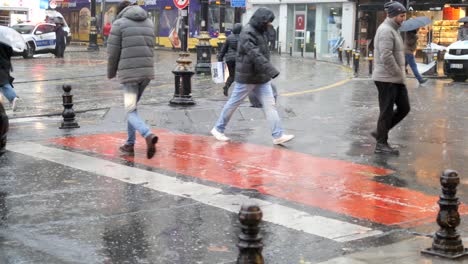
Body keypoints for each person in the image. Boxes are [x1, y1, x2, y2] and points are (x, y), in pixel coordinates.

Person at [211, 7, 294, 145]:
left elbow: (271, 40)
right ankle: (218, 129)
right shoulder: (247, 32)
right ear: (261, 20)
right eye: (268, 21)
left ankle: (278, 135)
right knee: (234, 103)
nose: (269, 24)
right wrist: (270, 69)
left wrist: (270, 28)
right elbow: (254, 53)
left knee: (270, 105)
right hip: (247, 77)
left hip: (261, 77)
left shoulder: (261, 31)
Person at [107, 0, 158, 159]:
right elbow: (151, 46)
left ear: (121, 11)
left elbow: (112, 53)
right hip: (146, 74)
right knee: (132, 109)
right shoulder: (149, 22)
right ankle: (129, 144)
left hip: (130, 76)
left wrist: (111, 72)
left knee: (130, 110)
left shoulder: (119, 24)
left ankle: (147, 135)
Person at [371, 1, 410, 155]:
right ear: (394, 16)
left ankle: (379, 132)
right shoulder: (386, 30)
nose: (403, 19)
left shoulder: (394, 29)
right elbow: (386, 55)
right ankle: (381, 144)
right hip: (386, 78)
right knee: (386, 111)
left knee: (404, 107)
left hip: (395, 78)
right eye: (402, 16)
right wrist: (397, 72)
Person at [217, 23, 242, 96]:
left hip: (229, 59)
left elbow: (224, 49)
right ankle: (238, 92)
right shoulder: (242, 38)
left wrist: (220, 58)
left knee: (232, 75)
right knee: (240, 75)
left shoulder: (229, 38)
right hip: (238, 59)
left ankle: (226, 86)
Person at [0, 43, 19, 111]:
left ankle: (13, 97)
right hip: (6, 65)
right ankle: (12, 99)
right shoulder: (5, 40)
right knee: (3, 82)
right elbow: (11, 52)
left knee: (3, 84)